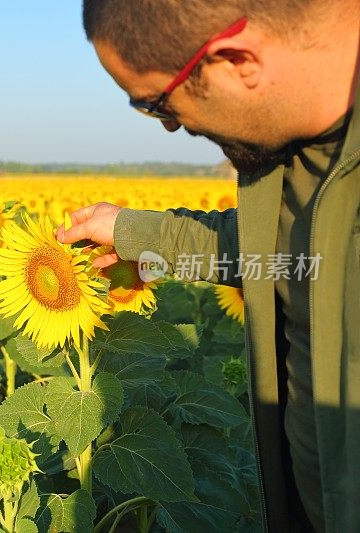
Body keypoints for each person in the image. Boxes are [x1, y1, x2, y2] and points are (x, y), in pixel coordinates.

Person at [55, 2, 360, 532]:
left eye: (156, 103)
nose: (170, 128)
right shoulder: (284, 143)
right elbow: (283, 255)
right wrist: (137, 232)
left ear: (234, 59)